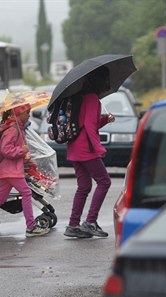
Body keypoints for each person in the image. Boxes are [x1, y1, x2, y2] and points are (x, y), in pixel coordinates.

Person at [0, 103, 50, 238]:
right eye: (26, 112)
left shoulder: (17, 128)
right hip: (11, 170)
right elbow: (5, 150)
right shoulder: (13, 129)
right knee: (26, 192)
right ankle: (31, 226)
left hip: (9, 170)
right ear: (17, 113)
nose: (29, 115)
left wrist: (25, 156)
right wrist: (21, 151)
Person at [64, 66, 115, 239]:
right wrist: (98, 148)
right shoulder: (92, 98)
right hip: (86, 149)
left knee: (84, 186)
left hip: (74, 148)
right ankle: (90, 222)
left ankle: (73, 224)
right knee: (104, 182)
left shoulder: (79, 97)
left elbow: (86, 123)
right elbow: (88, 125)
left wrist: (104, 120)